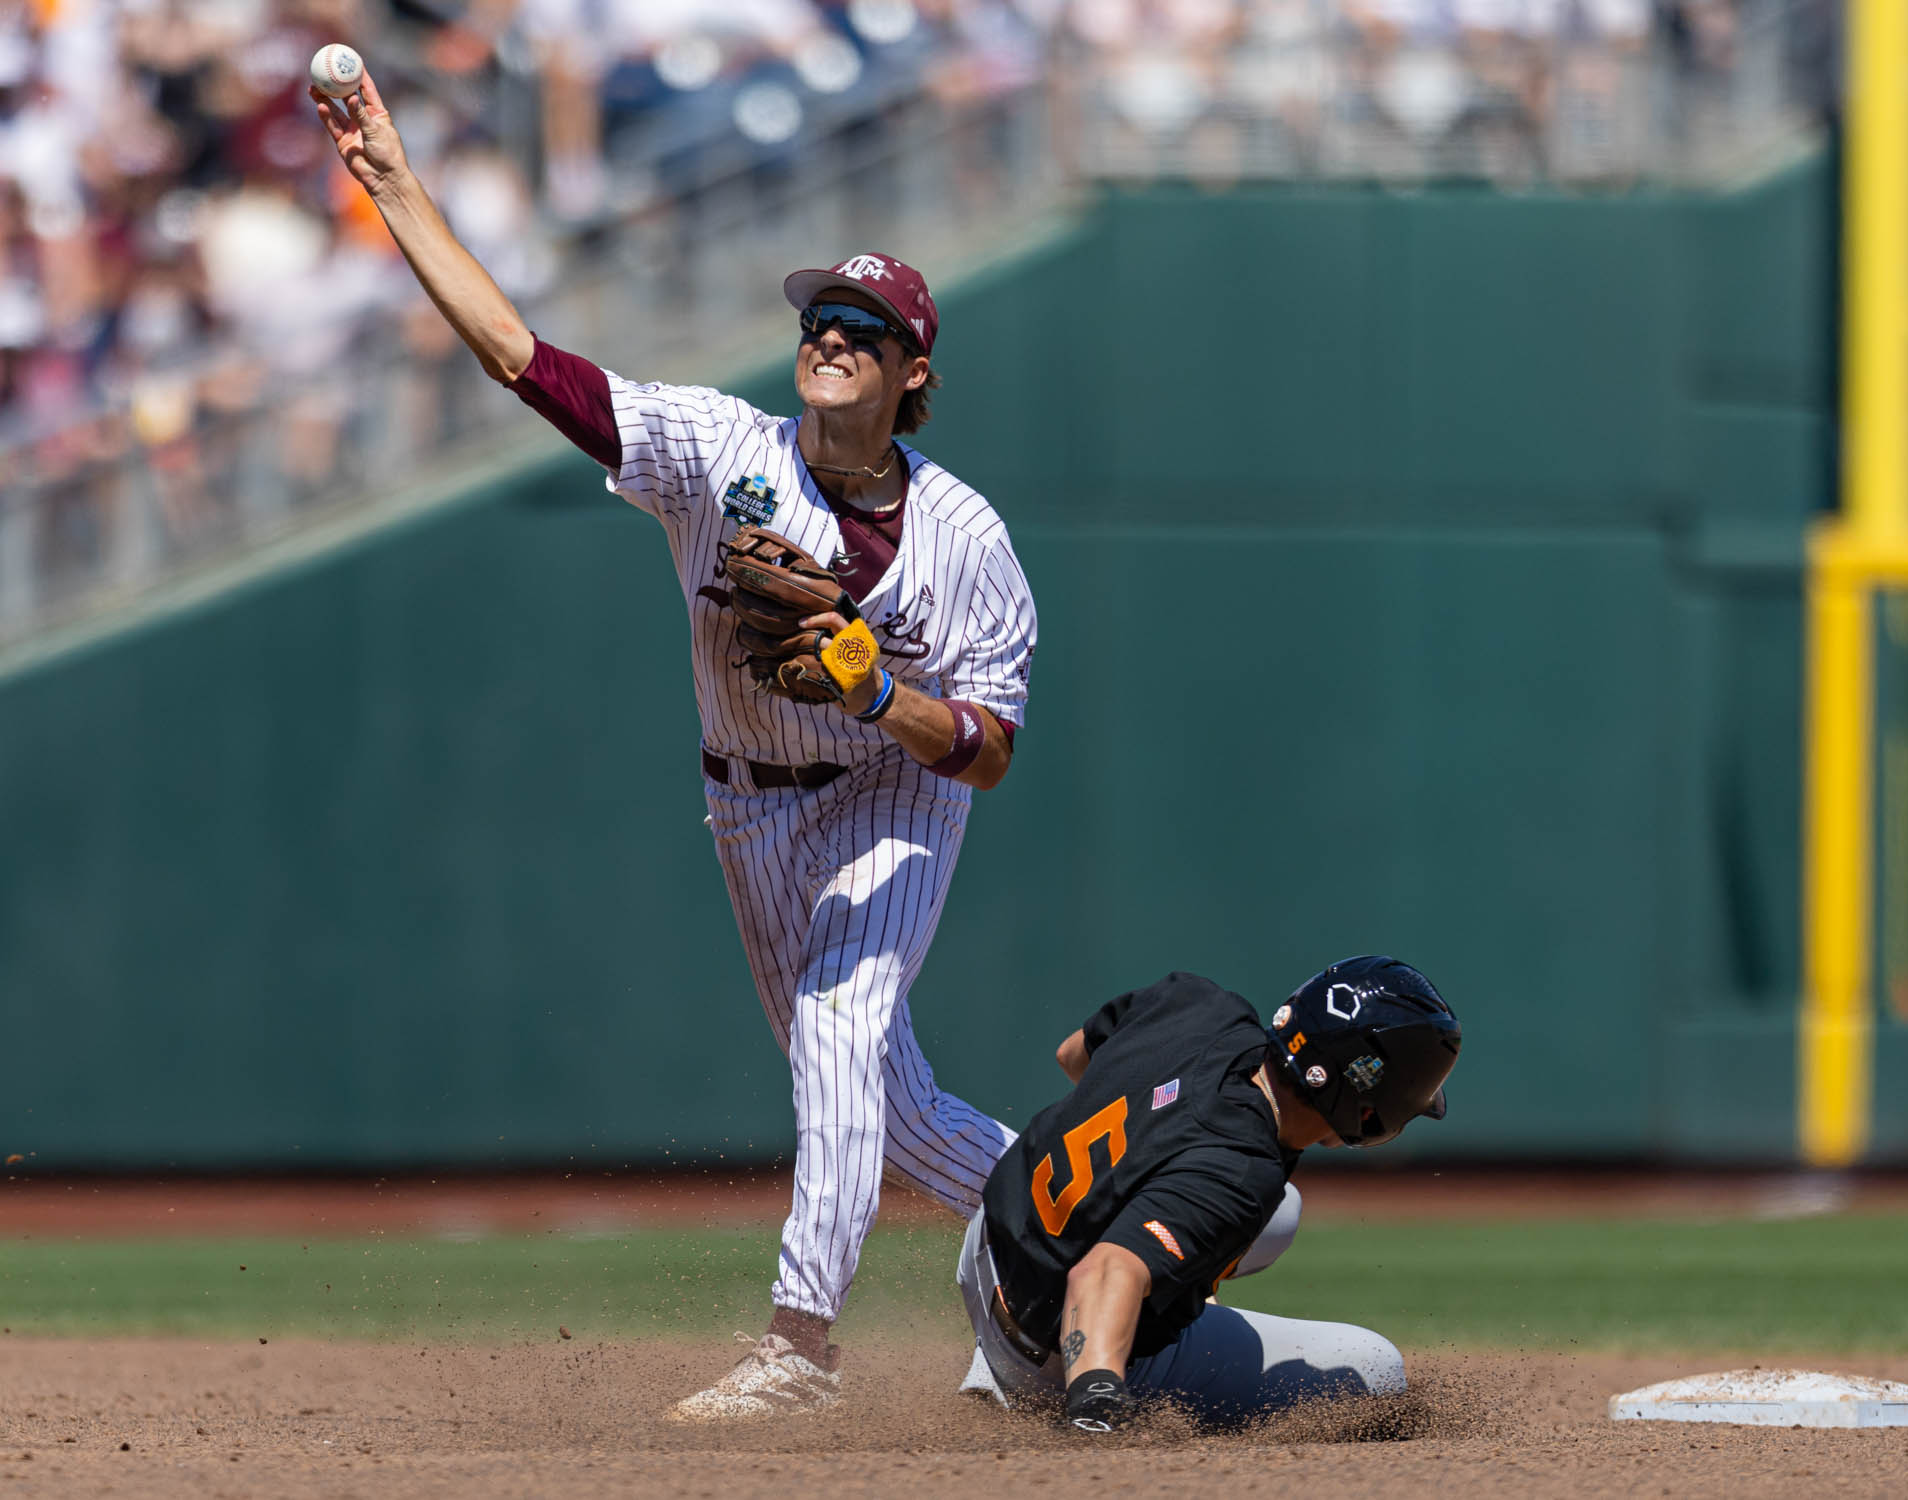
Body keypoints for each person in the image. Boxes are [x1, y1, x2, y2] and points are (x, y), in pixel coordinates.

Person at [313, 71, 1035, 1420]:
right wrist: (397, 189)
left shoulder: (969, 544)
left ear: (912, 370)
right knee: (894, 1102)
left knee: (837, 1036)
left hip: (892, 791)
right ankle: (1109, 1214)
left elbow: (988, 750)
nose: (829, 337)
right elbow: (526, 362)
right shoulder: (717, 450)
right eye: (821, 317)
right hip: (749, 807)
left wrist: (885, 698)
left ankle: (798, 1352)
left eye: (863, 327)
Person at [958, 955, 1462, 1430]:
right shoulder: (1241, 1173)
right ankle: (1017, 1388)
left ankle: (1018, 1352)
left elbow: (1072, 1056)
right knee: (1375, 1367)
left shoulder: (1197, 1004)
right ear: (1371, 1108)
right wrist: (1096, 1393)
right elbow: (1104, 1271)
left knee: (1280, 1214)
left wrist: (1147, 1140)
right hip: (1052, 1344)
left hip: (993, 1239)